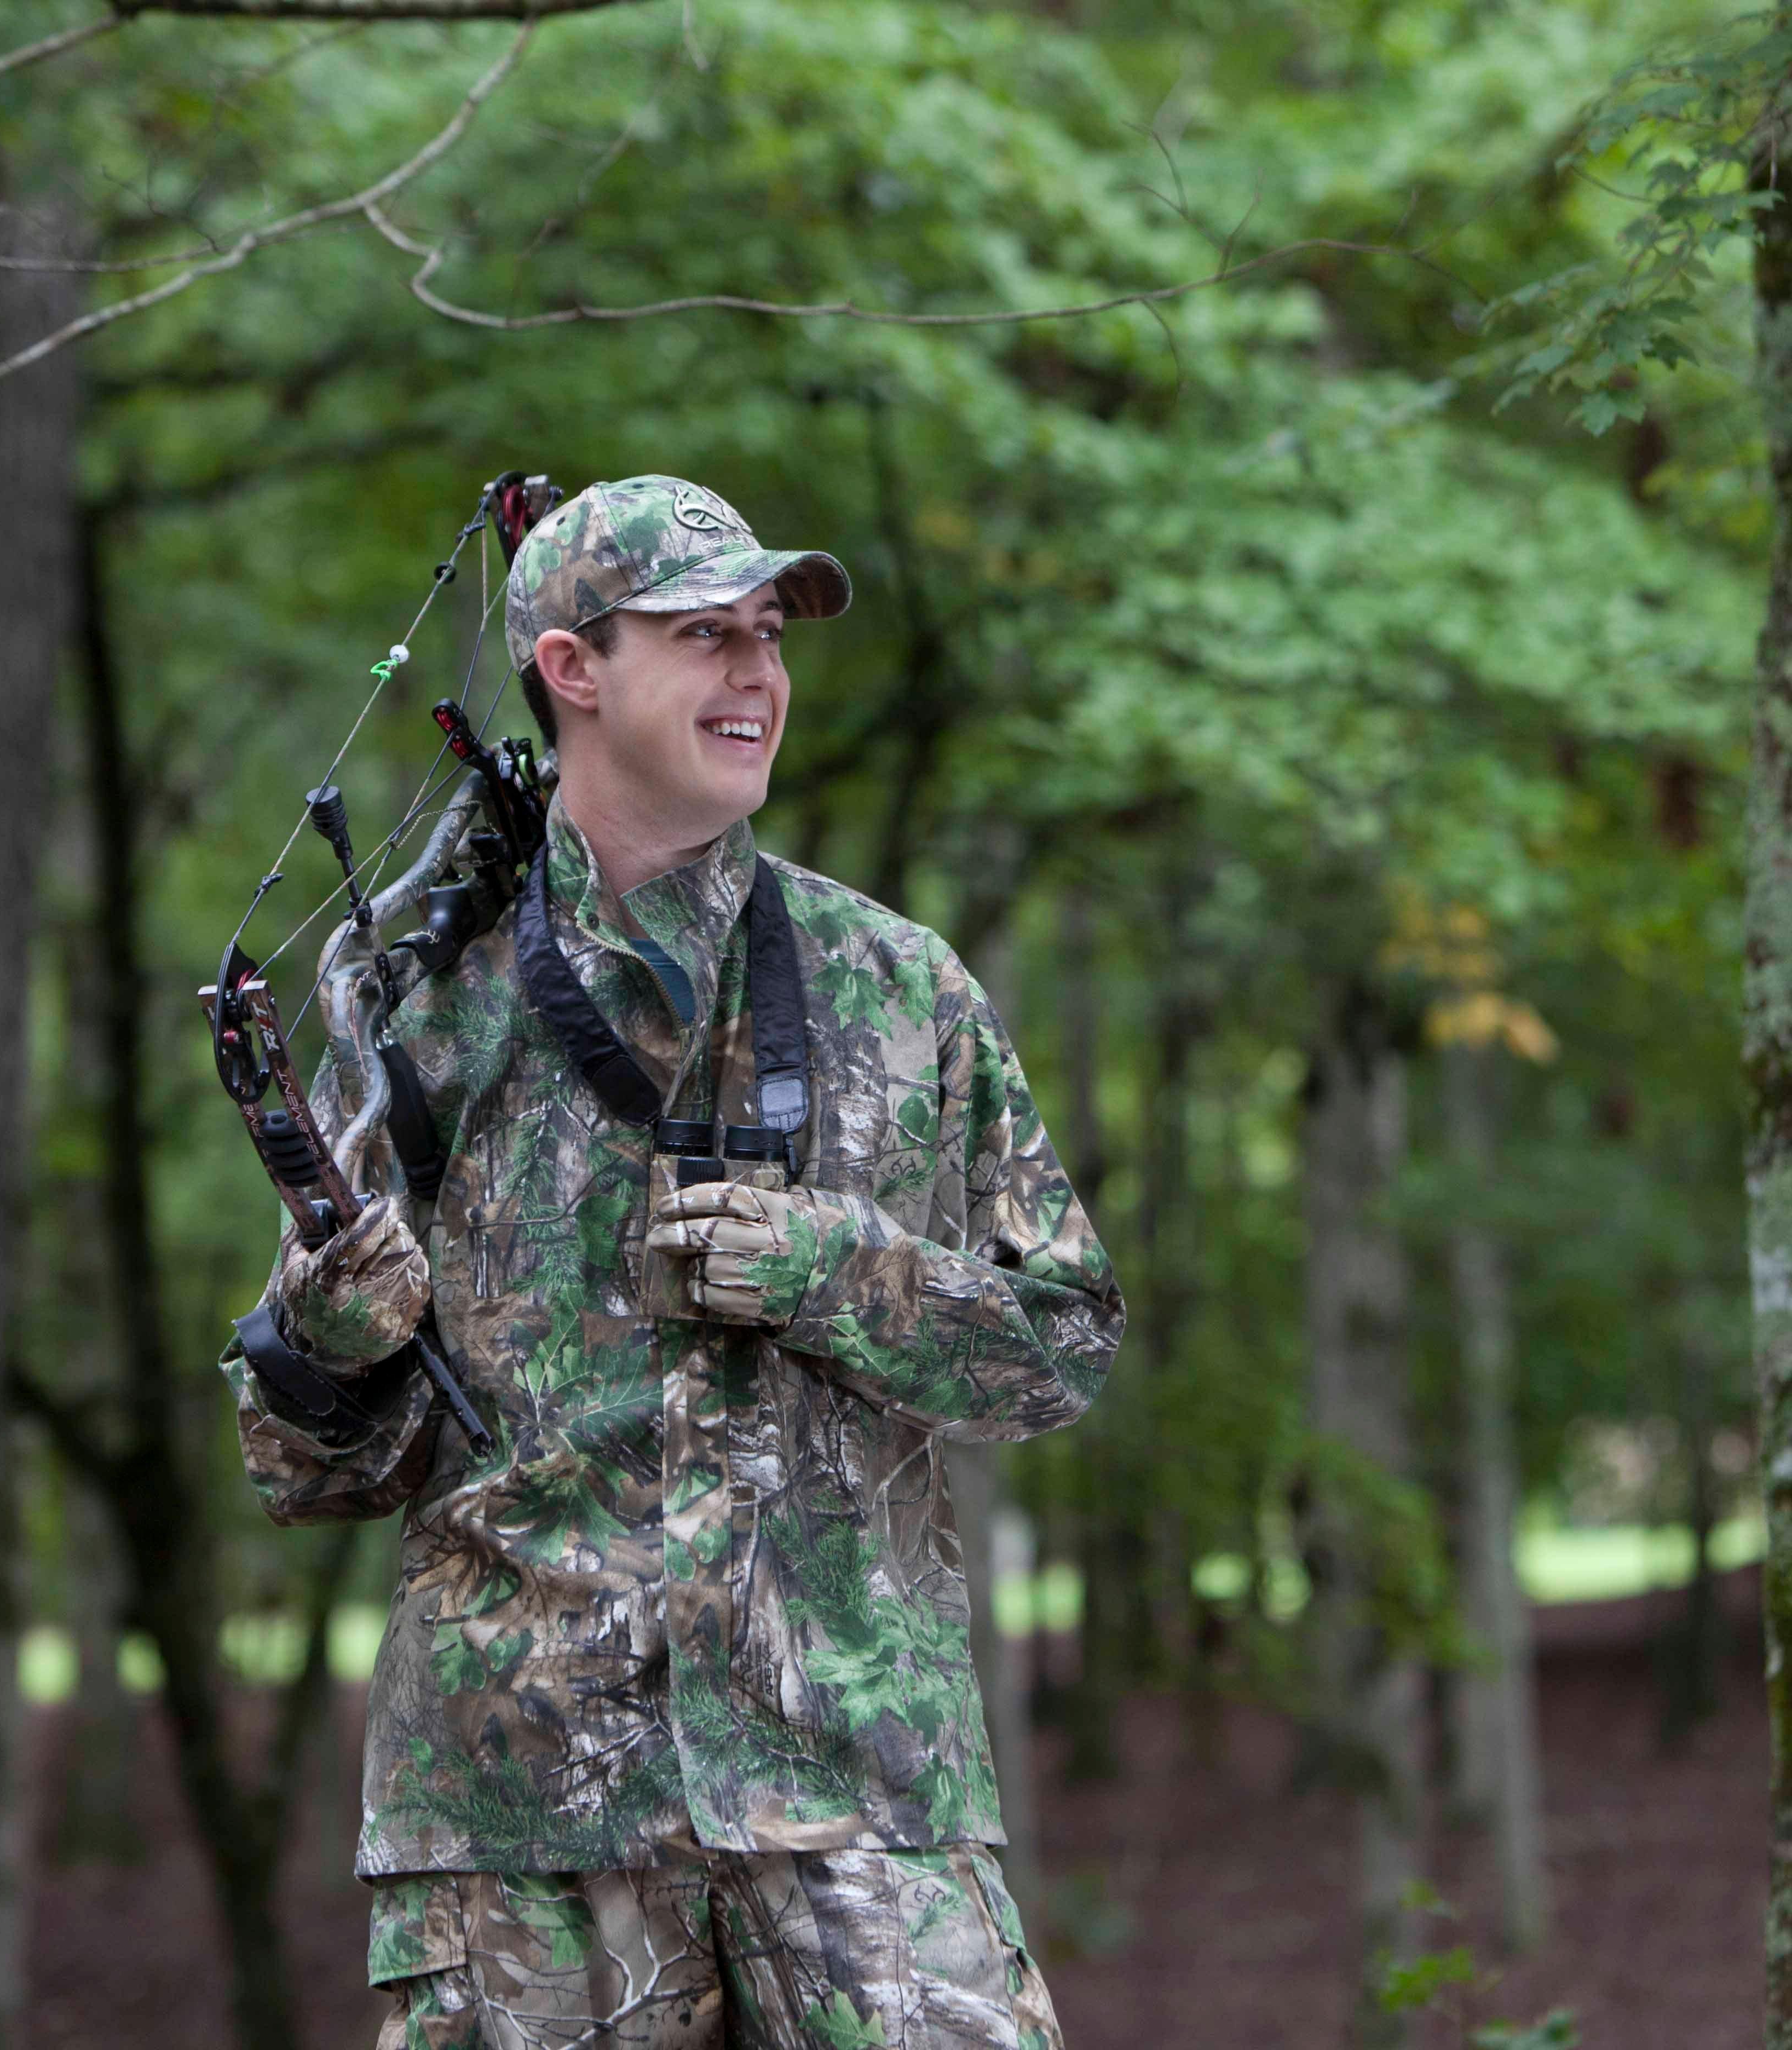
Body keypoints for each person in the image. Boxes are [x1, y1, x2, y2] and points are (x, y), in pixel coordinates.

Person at [226, 474, 1122, 2049]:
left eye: (767, 638)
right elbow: (304, 1463)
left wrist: (840, 1272)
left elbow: (1068, 1343)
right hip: (526, 1817)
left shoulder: (899, 990)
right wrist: (330, 1330)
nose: (757, 676)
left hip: (860, 1782)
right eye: (706, 636)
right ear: (574, 669)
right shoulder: (420, 1007)